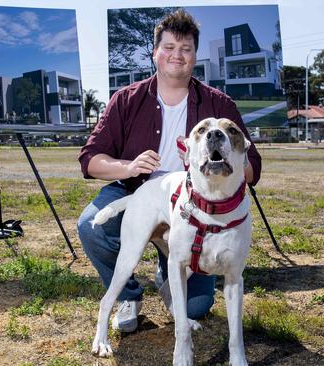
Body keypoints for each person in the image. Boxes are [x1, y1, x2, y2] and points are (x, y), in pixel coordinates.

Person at [77, 9, 262, 333]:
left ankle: (169, 269)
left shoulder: (219, 105)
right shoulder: (126, 99)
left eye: (186, 49)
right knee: (91, 226)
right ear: (155, 52)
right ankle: (128, 294)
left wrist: (231, 163)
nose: (177, 55)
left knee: (196, 306)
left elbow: (253, 164)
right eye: (169, 47)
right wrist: (128, 166)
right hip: (133, 190)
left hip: (195, 204)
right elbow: (90, 158)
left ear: (194, 55)